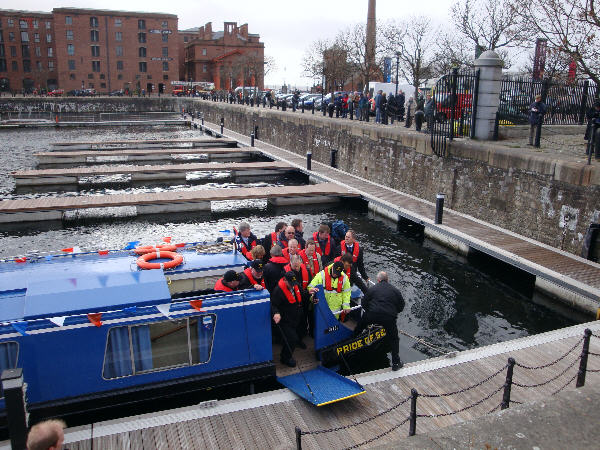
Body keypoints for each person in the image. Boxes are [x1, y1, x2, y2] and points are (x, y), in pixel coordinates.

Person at [355, 271, 405, 371]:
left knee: (360, 325)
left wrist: (369, 312)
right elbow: (401, 305)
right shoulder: (395, 291)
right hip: (389, 317)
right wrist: (394, 312)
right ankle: (396, 363)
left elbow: (364, 303)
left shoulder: (373, 289)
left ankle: (352, 338)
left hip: (373, 315)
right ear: (387, 280)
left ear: (378, 280)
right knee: (394, 339)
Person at [271, 271, 304, 367]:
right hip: (285, 320)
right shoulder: (278, 291)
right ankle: (285, 358)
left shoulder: (295, 286)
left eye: (294, 284)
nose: (292, 286)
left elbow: (303, 294)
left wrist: (310, 294)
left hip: (295, 317)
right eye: (290, 284)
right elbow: (273, 305)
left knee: (295, 336)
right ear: (285, 280)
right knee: (292, 339)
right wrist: (276, 313)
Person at [284, 254, 311, 346]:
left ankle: (301, 338)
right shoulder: (285, 272)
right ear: (290, 264)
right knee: (293, 322)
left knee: (303, 320)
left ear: (301, 263)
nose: (296, 268)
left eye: (298, 266)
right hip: (292, 301)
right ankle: (293, 340)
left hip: (303, 299)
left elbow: (310, 284)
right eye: (294, 266)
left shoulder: (306, 270)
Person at [336, 230, 370, 294]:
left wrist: (365, 277)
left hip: (352, 274)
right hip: (340, 274)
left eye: (348, 237)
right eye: (346, 236)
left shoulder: (359, 250)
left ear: (354, 239)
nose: (346, 238)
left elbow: (360, 265)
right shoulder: (339, 248)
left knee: (350, 288)